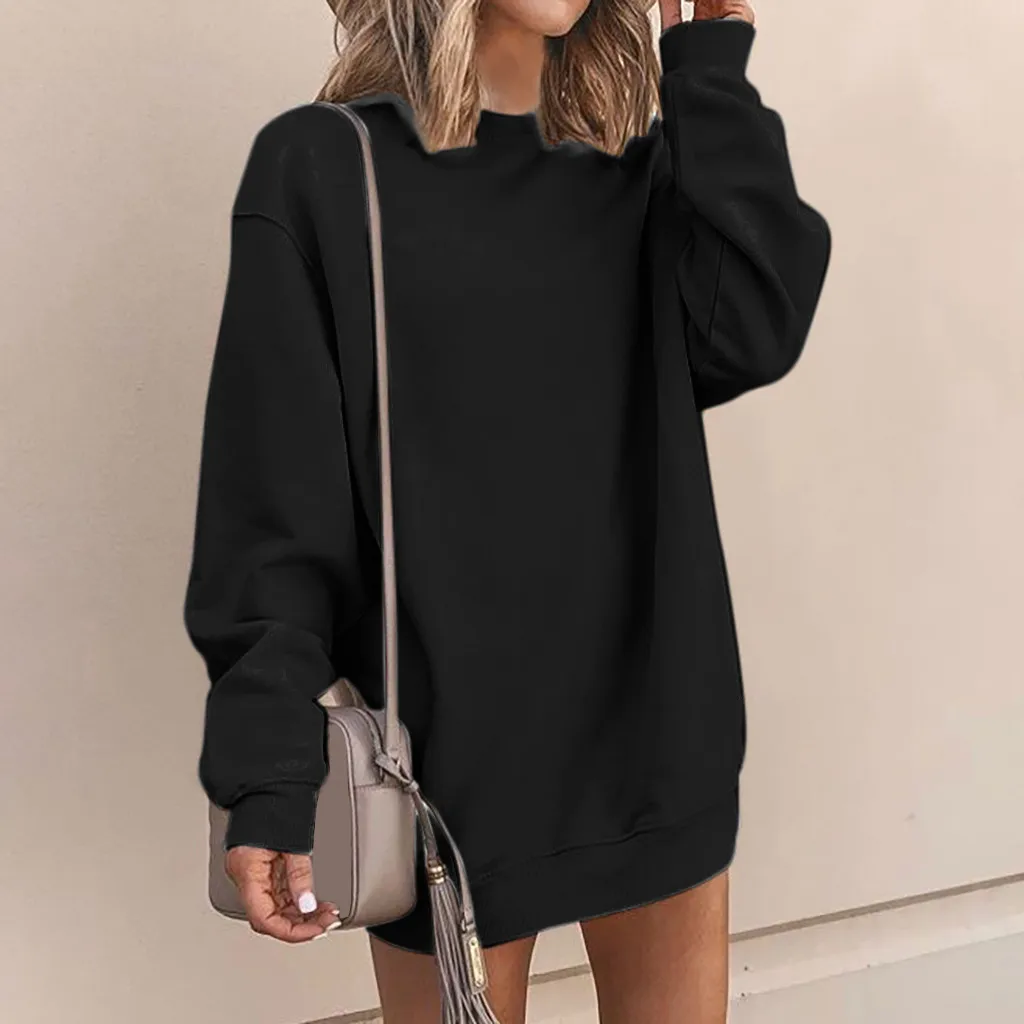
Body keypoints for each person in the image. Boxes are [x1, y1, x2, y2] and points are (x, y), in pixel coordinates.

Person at [184, 0, 831, 1020]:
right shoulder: (325, 167)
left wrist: (708, 61)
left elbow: (754, 324)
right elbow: (272, 508)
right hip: (450, 773)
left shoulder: (635, 170)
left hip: (659, 740)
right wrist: (267, 767)